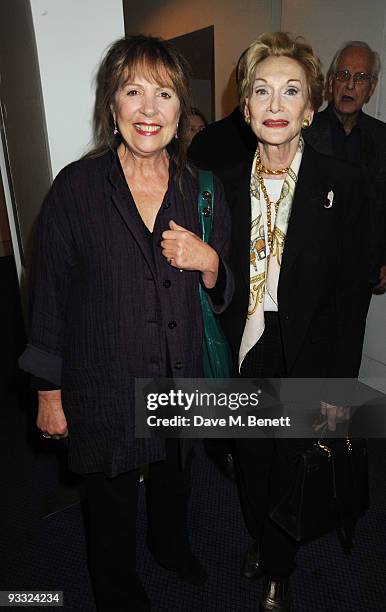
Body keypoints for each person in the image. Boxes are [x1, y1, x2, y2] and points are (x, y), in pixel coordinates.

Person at [19, 35, 232, 612]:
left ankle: (170, 548)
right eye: (132, 92)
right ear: (111, 106)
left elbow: (225, 295)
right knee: (110, 498)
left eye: (163, 94)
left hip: (180, 377)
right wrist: (50, 391)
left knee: (174, 480)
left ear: (180, 109)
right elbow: (49, 298)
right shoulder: (76, 189)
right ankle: (115, 587)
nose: (148, 109)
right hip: (106, 383)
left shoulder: (201, 191)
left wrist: (212, 266)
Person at [215, 32, 370, 611]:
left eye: (291, 92)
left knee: (290, 461)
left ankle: (280, 564)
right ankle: (258, 535)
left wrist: (339, 387)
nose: (275, 105)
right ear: (246, 105)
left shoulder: (343, 183)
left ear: (310, 108)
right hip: (246, 346)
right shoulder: (222, 184)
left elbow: (353, 297)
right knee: (249, 459)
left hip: (310, 348)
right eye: (262, 91)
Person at [304, 41, 386, 293]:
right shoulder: (304, 133)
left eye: (361, 78)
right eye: (343, 75)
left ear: (372, 88)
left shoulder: (382, 138)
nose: (350, 85)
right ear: (331, 83)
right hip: (310, 273)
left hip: (361, 274)